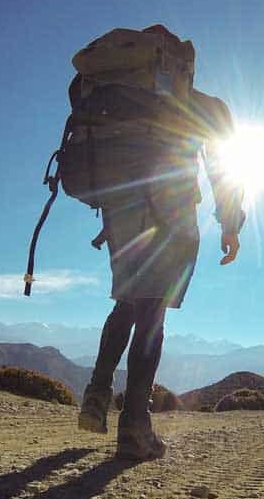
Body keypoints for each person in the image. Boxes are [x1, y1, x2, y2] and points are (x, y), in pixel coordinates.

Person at [76, 28, 245, 460]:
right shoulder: (200, 105)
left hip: (118, 207)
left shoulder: (110, 94)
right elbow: (223, 168)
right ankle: (135, 425)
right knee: (152, 311)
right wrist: (230, 223)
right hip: (170, 209)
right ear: (181, 66)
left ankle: (97, 390)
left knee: (128, 300)